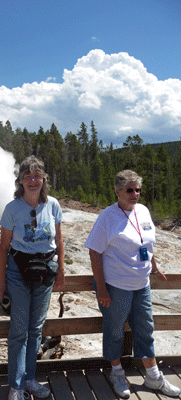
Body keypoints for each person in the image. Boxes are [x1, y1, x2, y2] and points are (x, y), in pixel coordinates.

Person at [84, 169, 181, 399]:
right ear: (118, 192)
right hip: (116, 285)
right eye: (130, 190)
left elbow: (146, 243)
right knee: (115, 330)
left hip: (142, 284)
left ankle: (153, 376)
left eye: (138, 189)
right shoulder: (107, 217)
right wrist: (102, 288)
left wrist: (154, 265)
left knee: (145, 329)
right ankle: (117, 372)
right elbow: (94, 252)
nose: (135, 194)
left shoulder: (143, 211)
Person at [0, 155, 65, 400]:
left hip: (45, 271)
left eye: (37, 176)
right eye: (28, 176)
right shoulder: (12, 208)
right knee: (18, 330)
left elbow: (58, 240)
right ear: (21, 181)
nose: (33, 180)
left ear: (44, 179)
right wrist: (1, 280)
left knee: (35, 329)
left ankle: (30, 379)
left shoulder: (53, 205)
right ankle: (15, 386)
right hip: (18, 271)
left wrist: (62, 270)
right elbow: (3, 247)